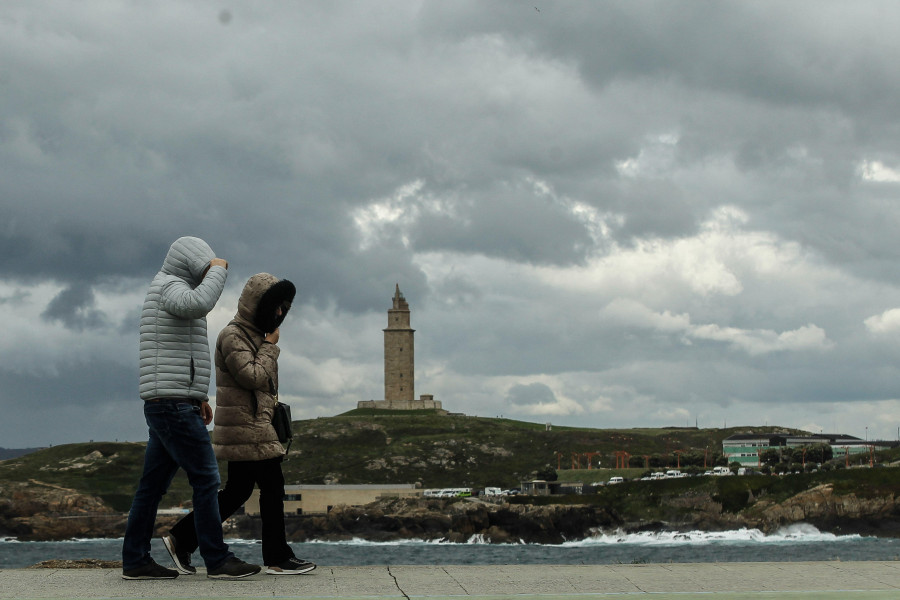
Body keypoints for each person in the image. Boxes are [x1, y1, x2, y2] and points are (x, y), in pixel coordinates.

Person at [122, 236, 261, 580]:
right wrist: (217, 270)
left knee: (151, 488)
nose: (206, 274)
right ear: (192, 265)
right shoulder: (170, 286)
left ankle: (135, 560)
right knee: (206, 479)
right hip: (171, 405)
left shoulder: (170, 288)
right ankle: (217, 558)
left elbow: (181, 346)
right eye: (203, 267)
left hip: (173, 402)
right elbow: (199, 304)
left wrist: (198, 395)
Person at [163, 273, 316, 575]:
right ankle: (277, 557)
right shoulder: (233, 335)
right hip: (247, 427)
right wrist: (271, 347)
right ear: (257, 304)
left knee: (238, 491)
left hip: (251, 425)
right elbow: (252, 376)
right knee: (272, 486)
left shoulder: (253, 335)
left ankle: (182, 537)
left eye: (284, 308)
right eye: (276, 306)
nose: (280, 314)